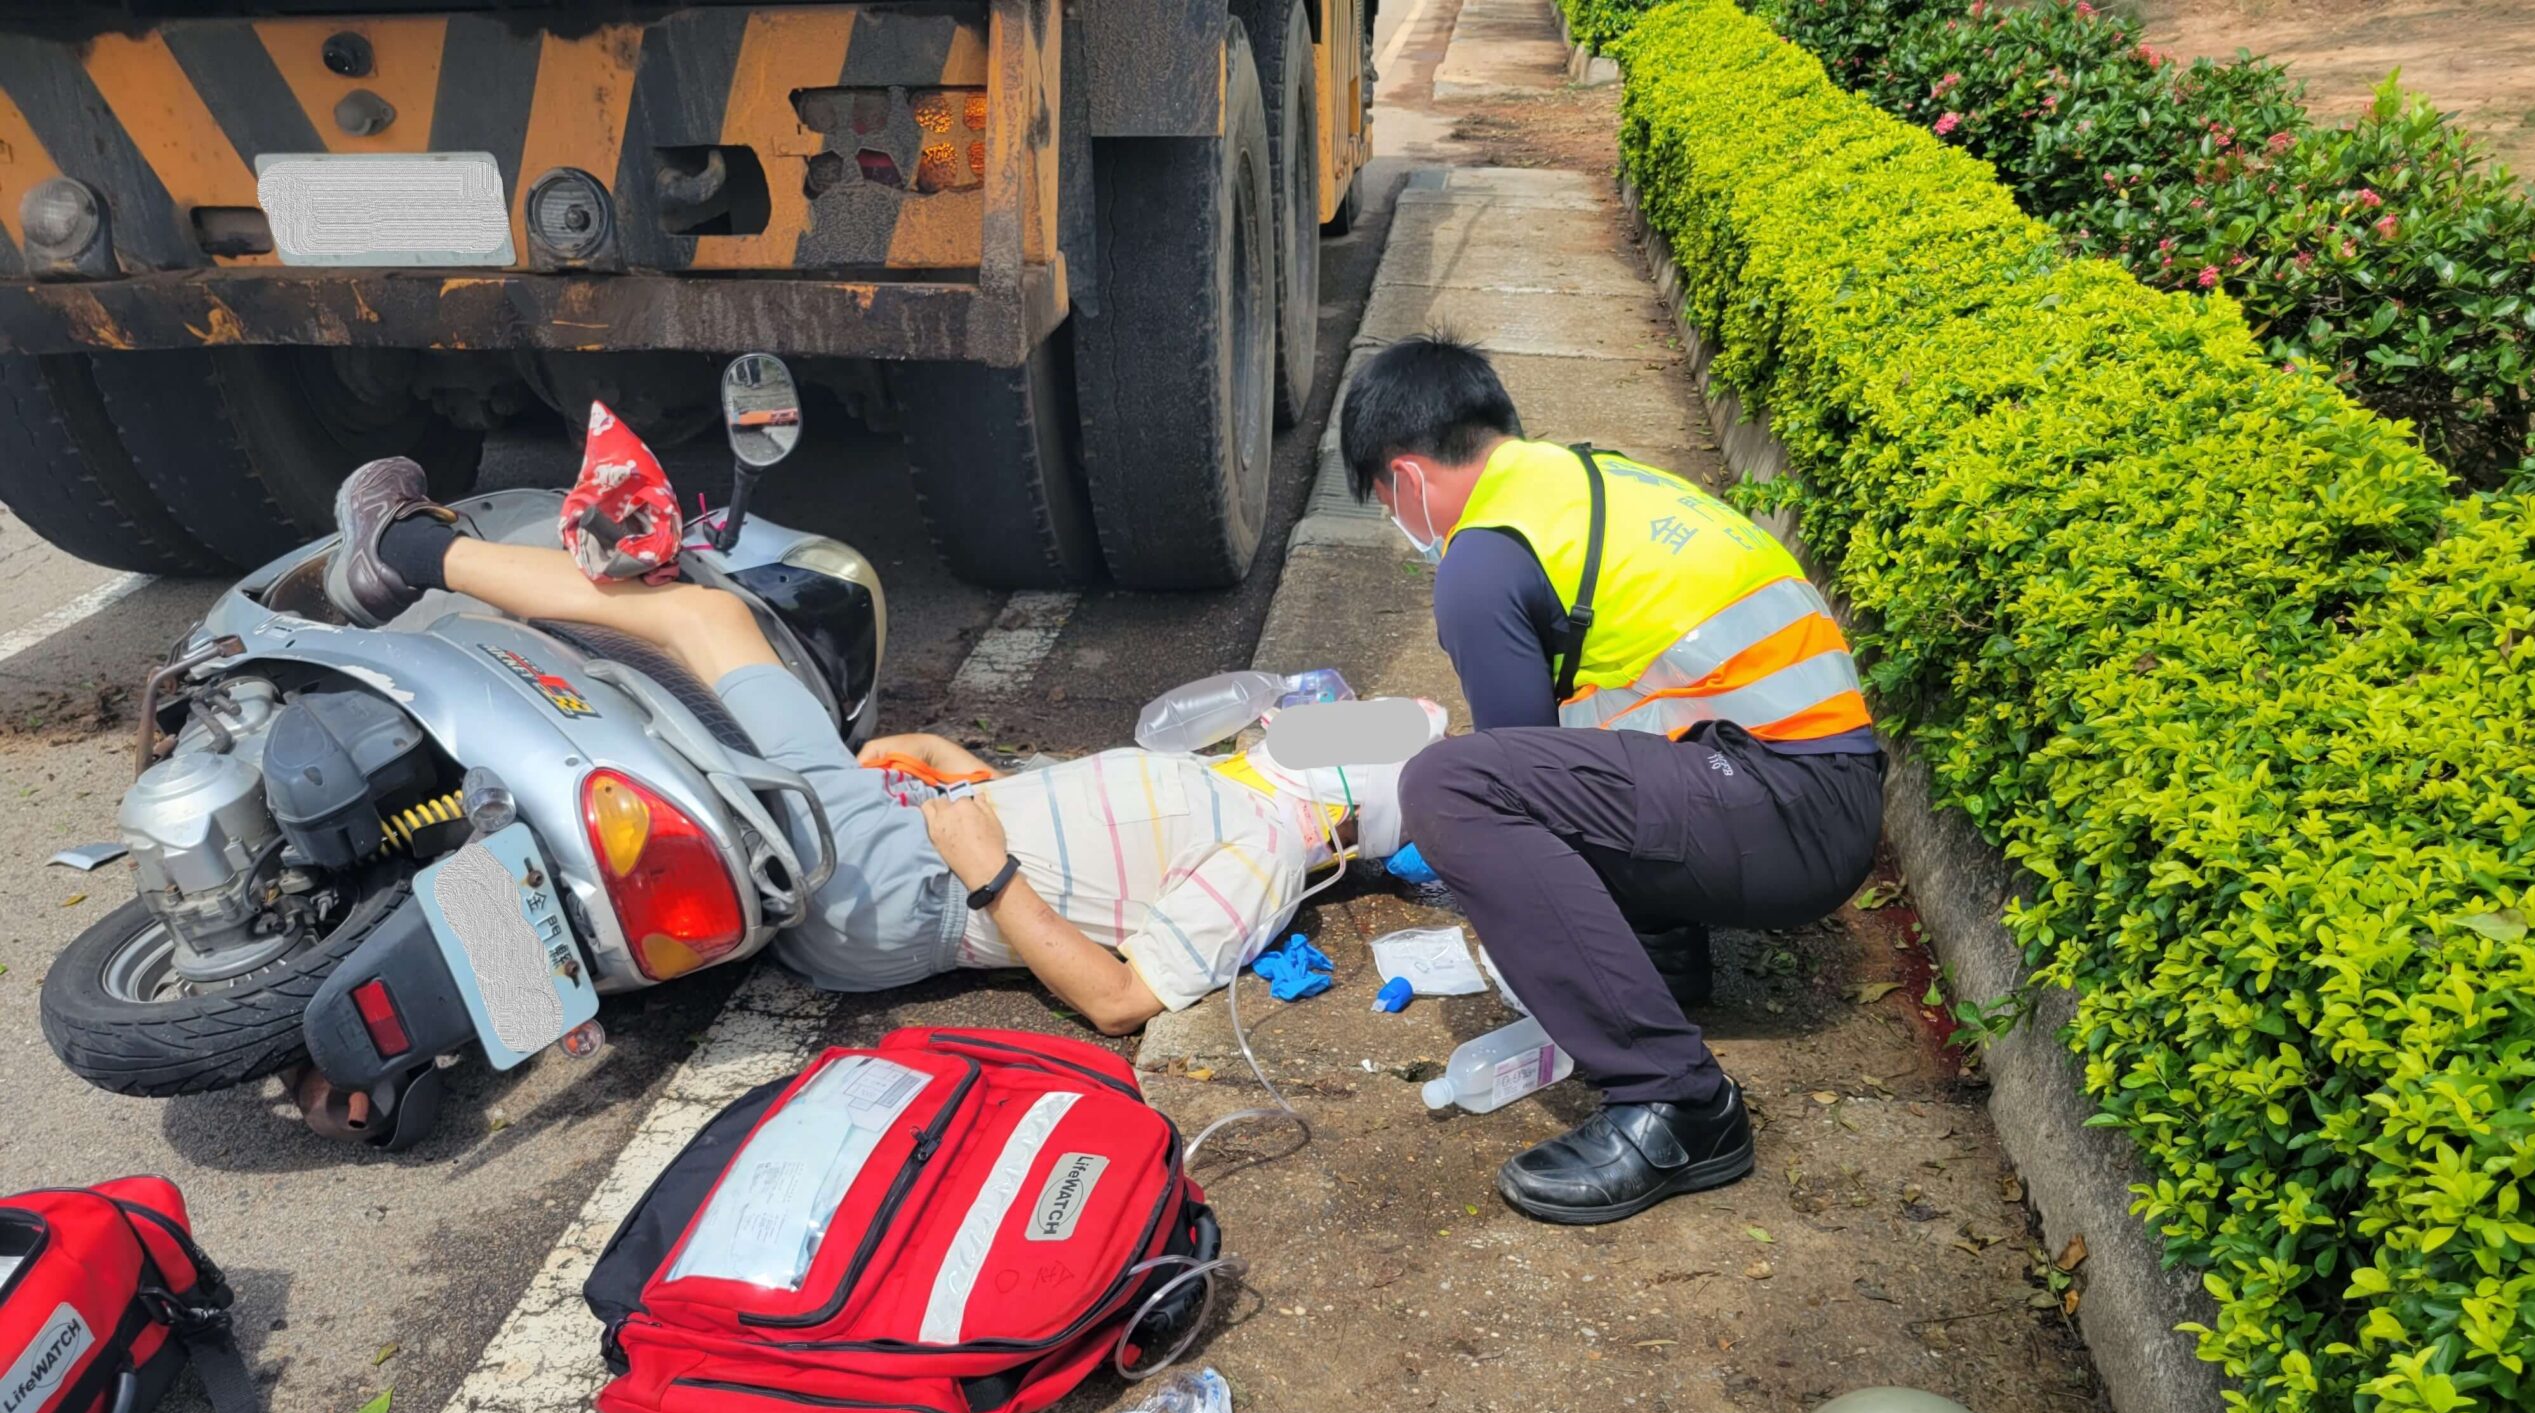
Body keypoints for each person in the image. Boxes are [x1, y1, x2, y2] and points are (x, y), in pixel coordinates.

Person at [323, 457, 1388, 1042]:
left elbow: (1118, 999)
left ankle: (404, 553)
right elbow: (1106, 853)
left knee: (705, 620)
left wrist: (988, 871)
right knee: (670, 798)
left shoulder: (1266, 849)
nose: (1289, 717)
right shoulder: (1244, 805)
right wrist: (973, 772)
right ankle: (396, 998)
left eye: (1331, 724)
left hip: (905, 888)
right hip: (912, 858)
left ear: (1340, 803)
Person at [1338, 335, 1885, 1226]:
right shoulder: (1594, 481)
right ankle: (1662, 959)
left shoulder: (1483, 559)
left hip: (1783, 815)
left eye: (1383, 503)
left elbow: (1517, 770)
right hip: (1820, 794)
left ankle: (1677, 1102)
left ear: (1404, 477)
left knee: (1450, 789)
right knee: (1559, 752)